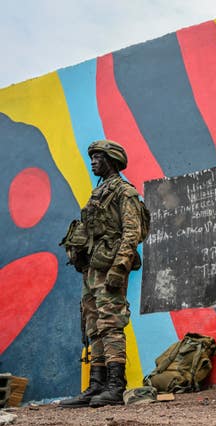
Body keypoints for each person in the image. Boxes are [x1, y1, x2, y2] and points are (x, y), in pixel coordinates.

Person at [60, 140, 145, 408]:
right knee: (93, 326)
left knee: (110, 324)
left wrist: (120, 268)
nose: (93, 161)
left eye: (98, 157)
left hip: (109, 268)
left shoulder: (124, 192)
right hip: (92, 269)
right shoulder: (99, 192)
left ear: (111, 160)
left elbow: (132, 233)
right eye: (92, 157)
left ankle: (116, 387)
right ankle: (96, 385)